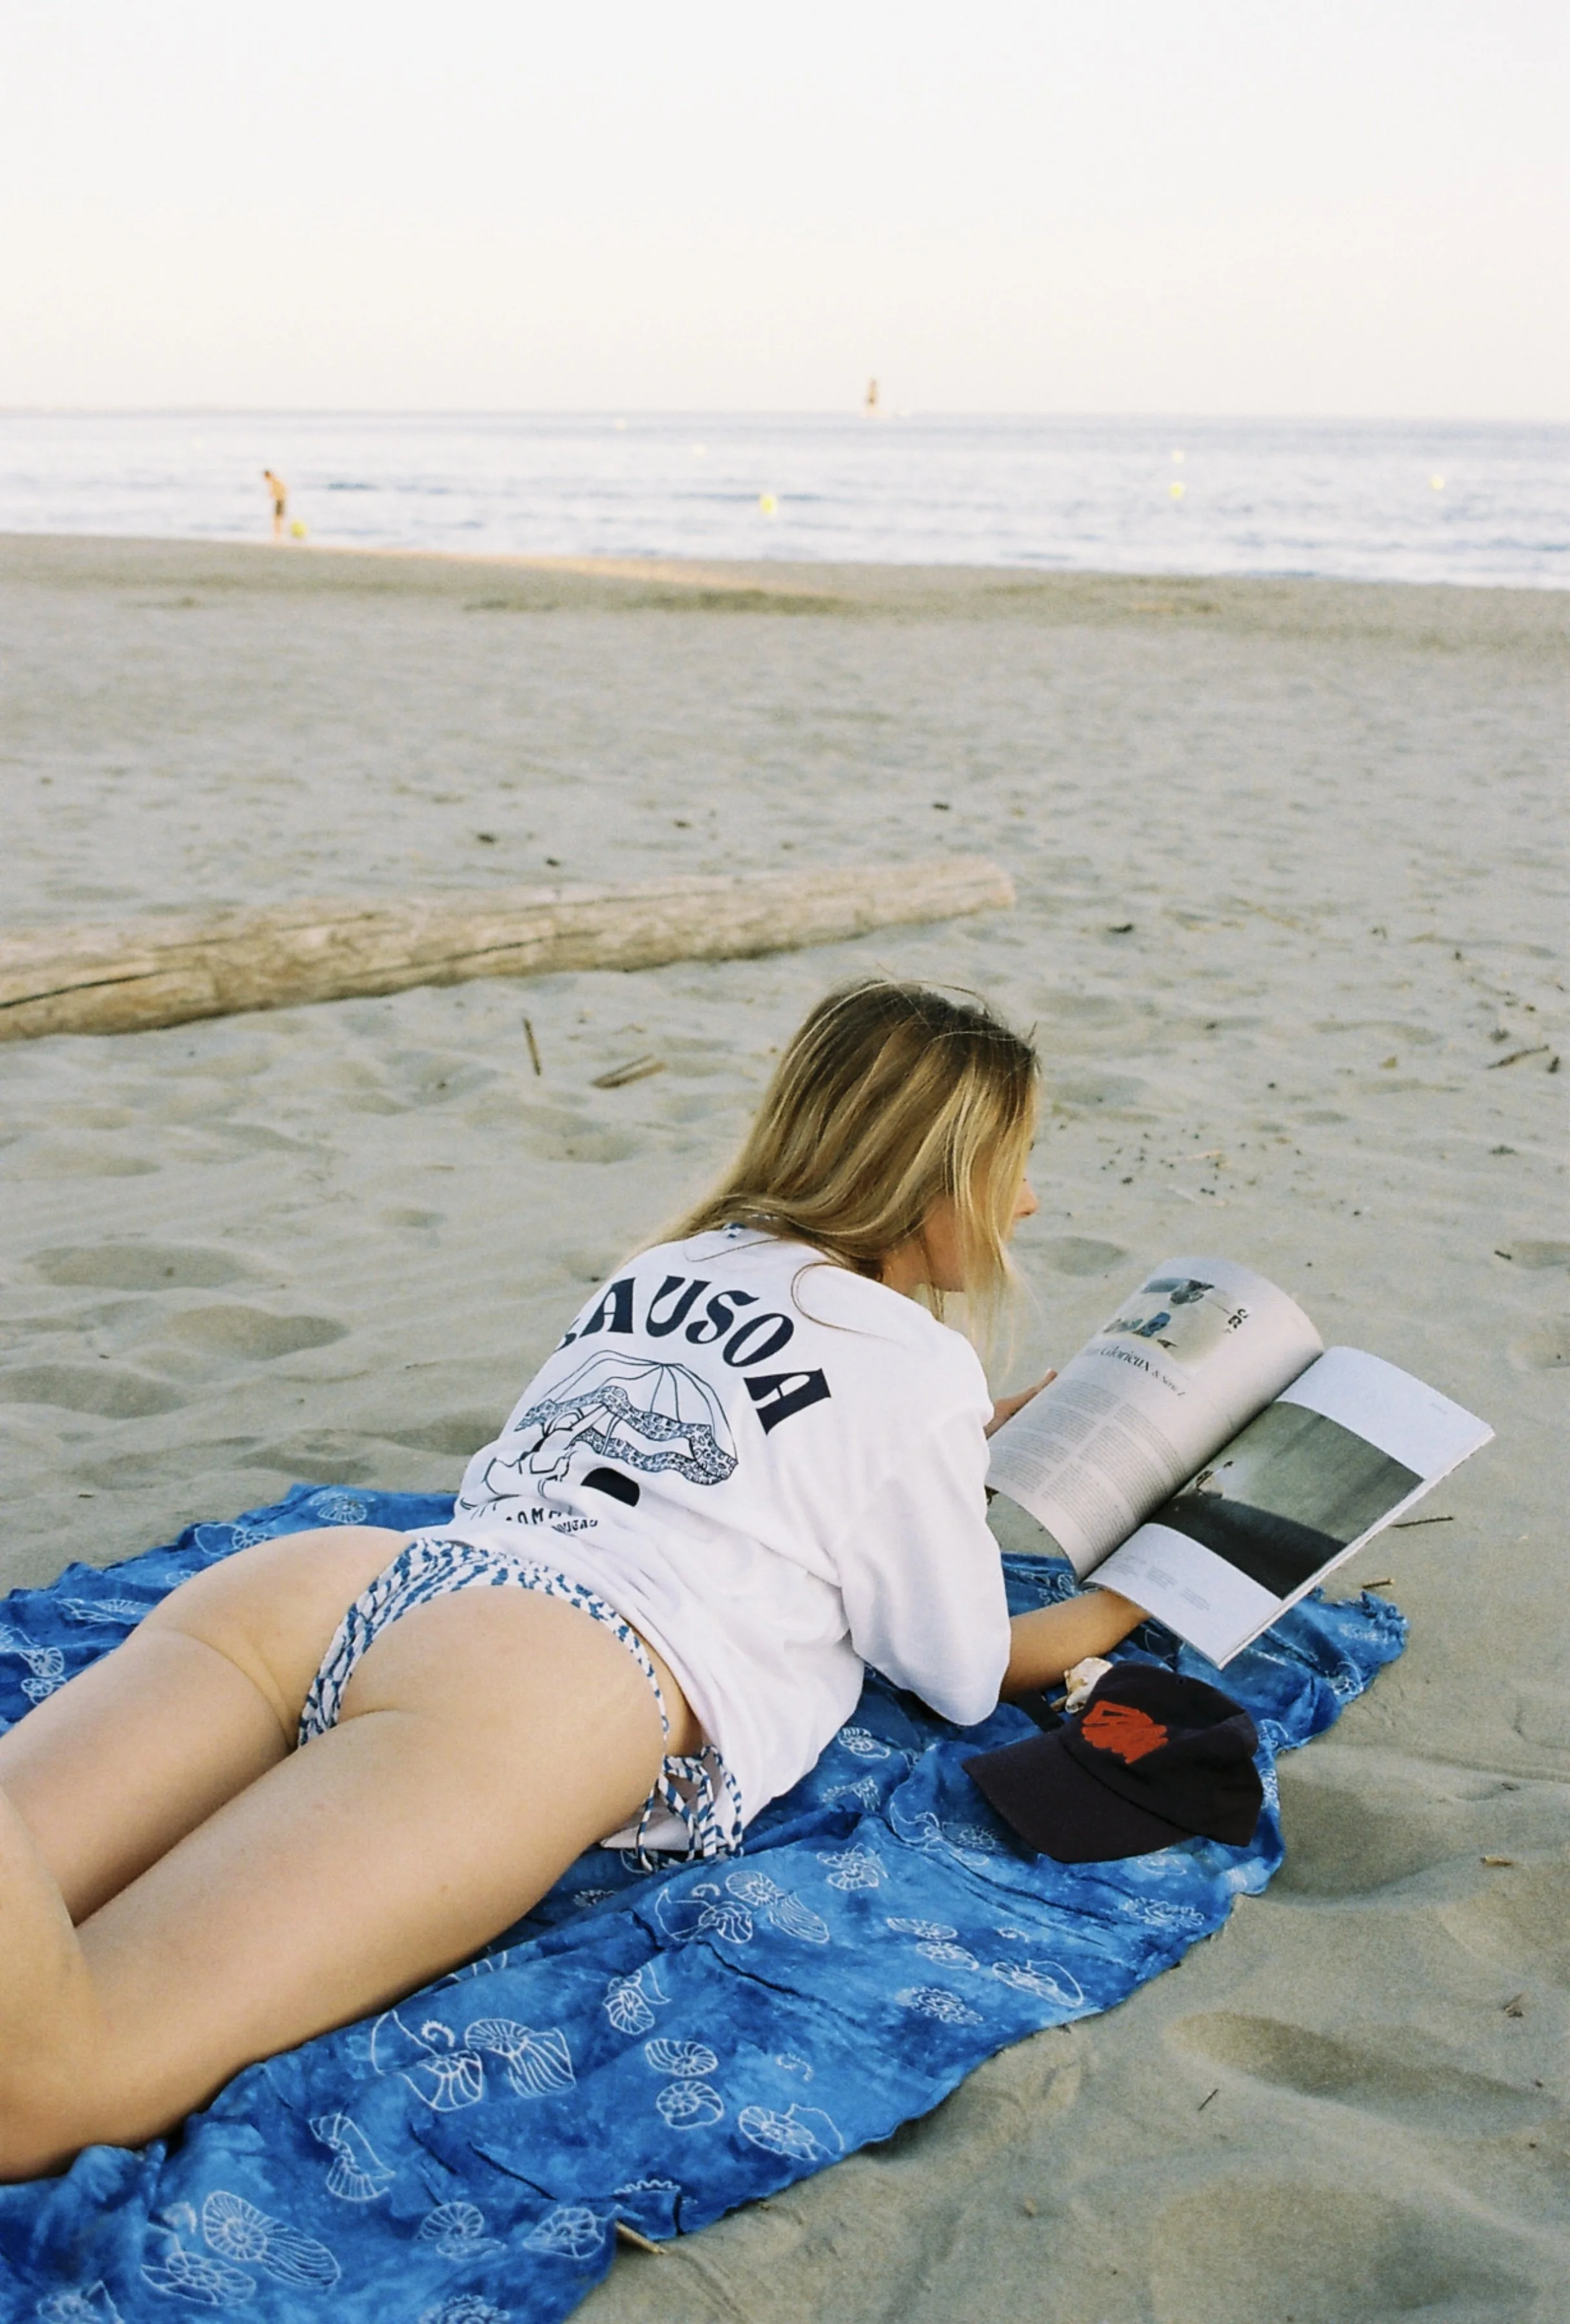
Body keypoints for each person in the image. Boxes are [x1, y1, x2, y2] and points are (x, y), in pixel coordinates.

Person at [0, 982, 1145, 2177]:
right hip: (550, 1680)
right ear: (934, 1182)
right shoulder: (918, 1365)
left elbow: (760, 1455)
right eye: (1012, 1164)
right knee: (51, 2089)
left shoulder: (665, 1266)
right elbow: (964, 1676)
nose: (1026, 1198)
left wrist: (949, 1453)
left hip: (334, 1587)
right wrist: (1131, 1597)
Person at [263, 469, 288, 540]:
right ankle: (278, 533)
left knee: (278, 518)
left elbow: (284, 489)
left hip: (280, 500)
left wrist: (279, 495)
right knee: (277, 517)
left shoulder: (276, 481)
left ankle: (279, 533)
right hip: (279, 500)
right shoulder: (274, 482)